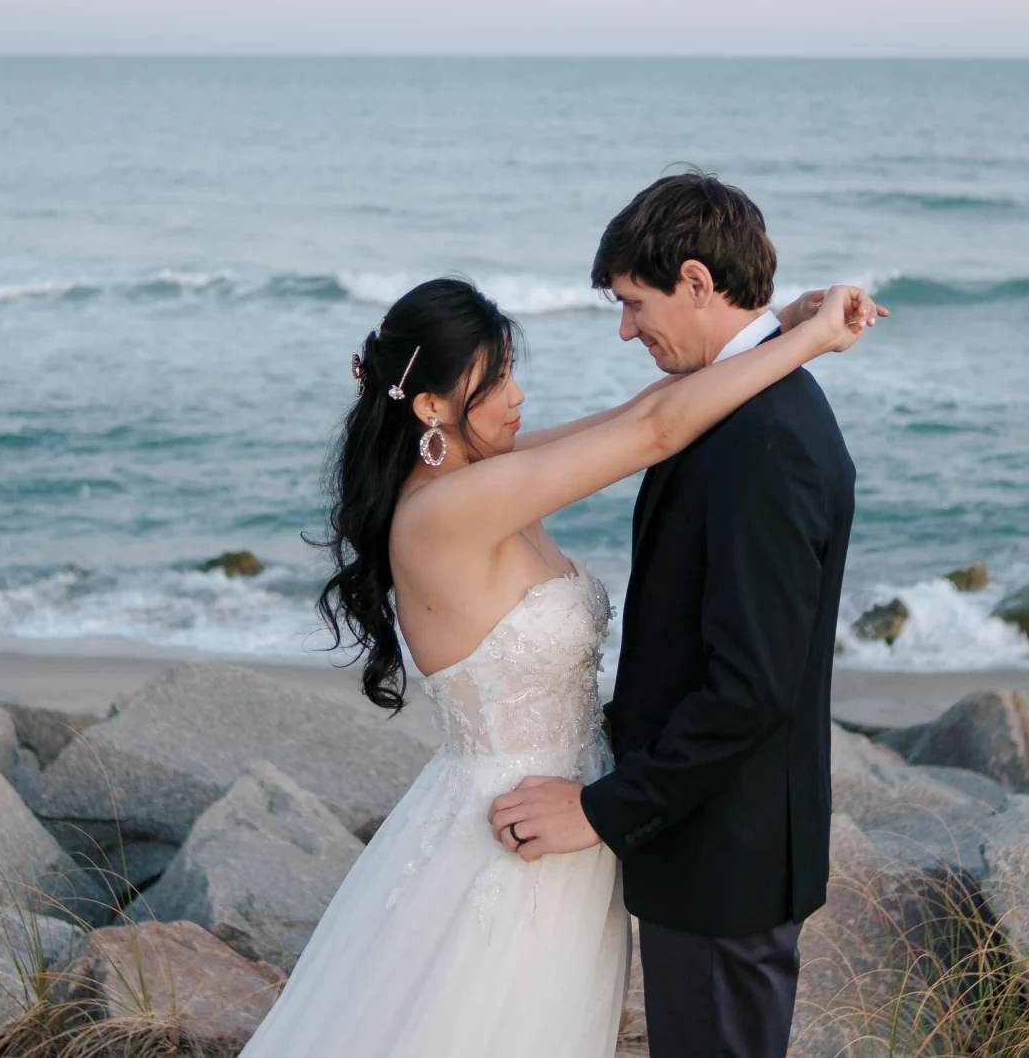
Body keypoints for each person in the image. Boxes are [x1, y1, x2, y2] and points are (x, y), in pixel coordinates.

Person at [236, 251, 877, 1058]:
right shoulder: (447, 511)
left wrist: (768, 330)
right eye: (495, 382)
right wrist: (814, 341)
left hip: (566, 825)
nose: (518, 396)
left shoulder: (489, 472)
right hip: (517, 837)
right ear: (430, 404)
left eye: (510, 372)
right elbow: (655, 431)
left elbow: (644, 406)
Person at [490, 172, 861, 1058]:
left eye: (634, 302)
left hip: (724, 858)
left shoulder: (764, 439)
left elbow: (751, 687)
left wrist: (604, 810)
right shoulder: (733, 404)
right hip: (706, 843)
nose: (627, 329)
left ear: (697, 281)